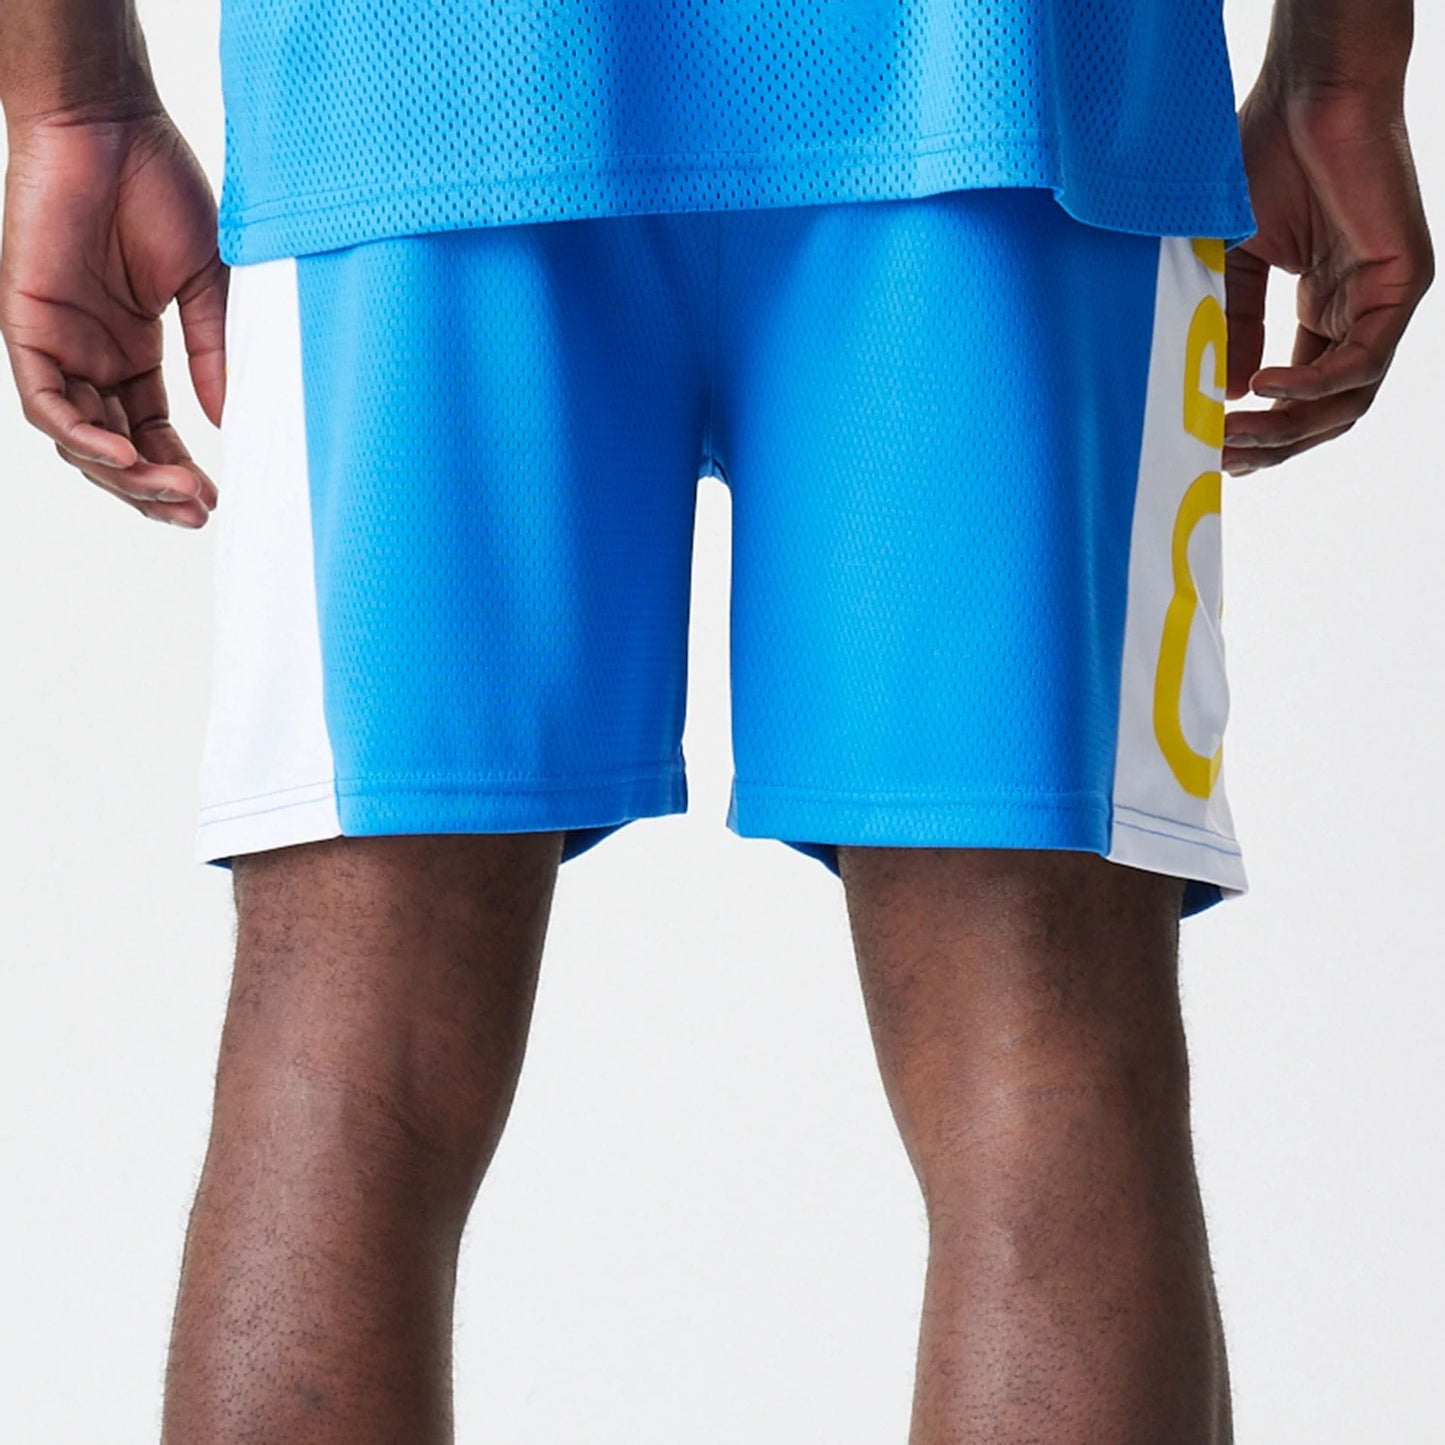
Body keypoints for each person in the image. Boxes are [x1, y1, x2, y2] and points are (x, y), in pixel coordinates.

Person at [0, 1, 1430, 1441]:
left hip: (417, 83)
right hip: (1005, 82)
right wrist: (1340, 69)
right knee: (1039, 1056)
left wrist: (75, 99)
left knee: (347, 1059)